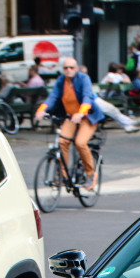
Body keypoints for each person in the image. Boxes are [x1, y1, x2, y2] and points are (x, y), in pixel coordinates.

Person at [35, 57, 106, 192]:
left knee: (80, 142)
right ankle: (63, 174)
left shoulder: (83, 78)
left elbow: (87, 96)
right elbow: (53, 96)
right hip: (70, 117)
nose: (68, 70)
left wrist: (81, 113)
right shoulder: (61, 80)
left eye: (71, 68)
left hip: (87, 116)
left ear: (76, 68)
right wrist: (41, 109)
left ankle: (90, 174)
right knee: (62, 142)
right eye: (66, 68)